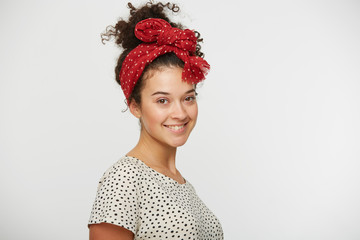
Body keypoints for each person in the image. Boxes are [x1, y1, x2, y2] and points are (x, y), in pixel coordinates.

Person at [88, 1, 224, 239]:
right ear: (135, 106)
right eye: (163, 100)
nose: (180, 113)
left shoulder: (182, 185)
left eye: (188, 98)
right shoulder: (124, 179)